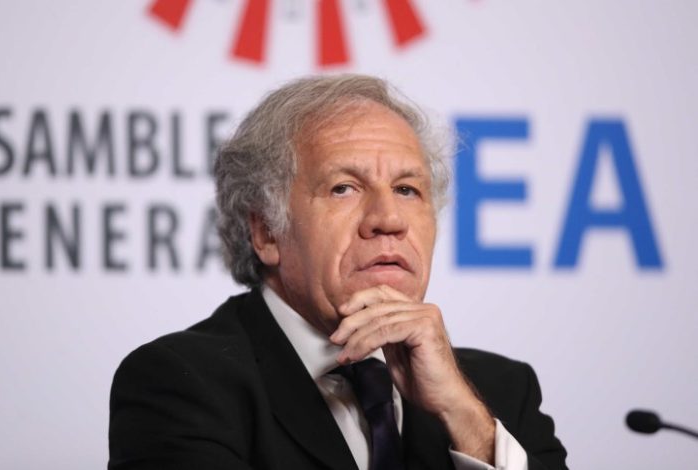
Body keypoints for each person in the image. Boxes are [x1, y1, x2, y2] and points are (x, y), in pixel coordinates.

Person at [108, 75, 568, 470]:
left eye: (407, 190)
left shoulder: (498, 396)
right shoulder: (181, 383)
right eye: (344, 188)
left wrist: (464, 419)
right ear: (266, 231)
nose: (389, 219)